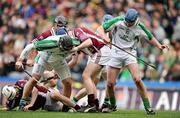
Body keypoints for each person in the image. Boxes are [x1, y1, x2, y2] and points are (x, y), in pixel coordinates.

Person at [102, 8, 169, 115]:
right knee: (110, 84)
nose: (128, 24)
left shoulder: (139, 26)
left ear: (135, 20)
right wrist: (105, 37)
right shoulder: (119, 20)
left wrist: (159, 45)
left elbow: (150, 37)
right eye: (127, 22)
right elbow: (104, 27)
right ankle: (112, 105)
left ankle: (148, 107)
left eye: (130, 23)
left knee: (137, 79)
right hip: (115, 52)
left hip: (130, 54)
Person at [15, 35, 76, 110]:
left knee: (68, 83)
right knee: (34, 79)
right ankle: (23, 102)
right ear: (59, 44)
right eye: (64, 48)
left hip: (59, 60)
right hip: (44, 58)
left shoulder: (75, 42)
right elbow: (30, 46)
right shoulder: (49, 43)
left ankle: (65, 107)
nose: (65, 51)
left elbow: (88, 43)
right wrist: (20, 60)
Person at [71, 14, 116, 112]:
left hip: (102, 57)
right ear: (103, 22)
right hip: (97, 57)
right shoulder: (100, 30)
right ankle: (91, 103)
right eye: (106, 23)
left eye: (110, 23)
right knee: (91, 82)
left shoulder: (113, 33)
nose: (108, 25)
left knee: (107, 83)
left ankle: (101, 104)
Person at [69, 27, 107, 112]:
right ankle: (96, 105)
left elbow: (89, 42)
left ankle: (91, 104)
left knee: (86, 75)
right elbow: (74, 61)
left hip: (101, 51)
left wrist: (77, 48)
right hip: (98, 53)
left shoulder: (77, 31)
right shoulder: (72, 42)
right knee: (91, 80)